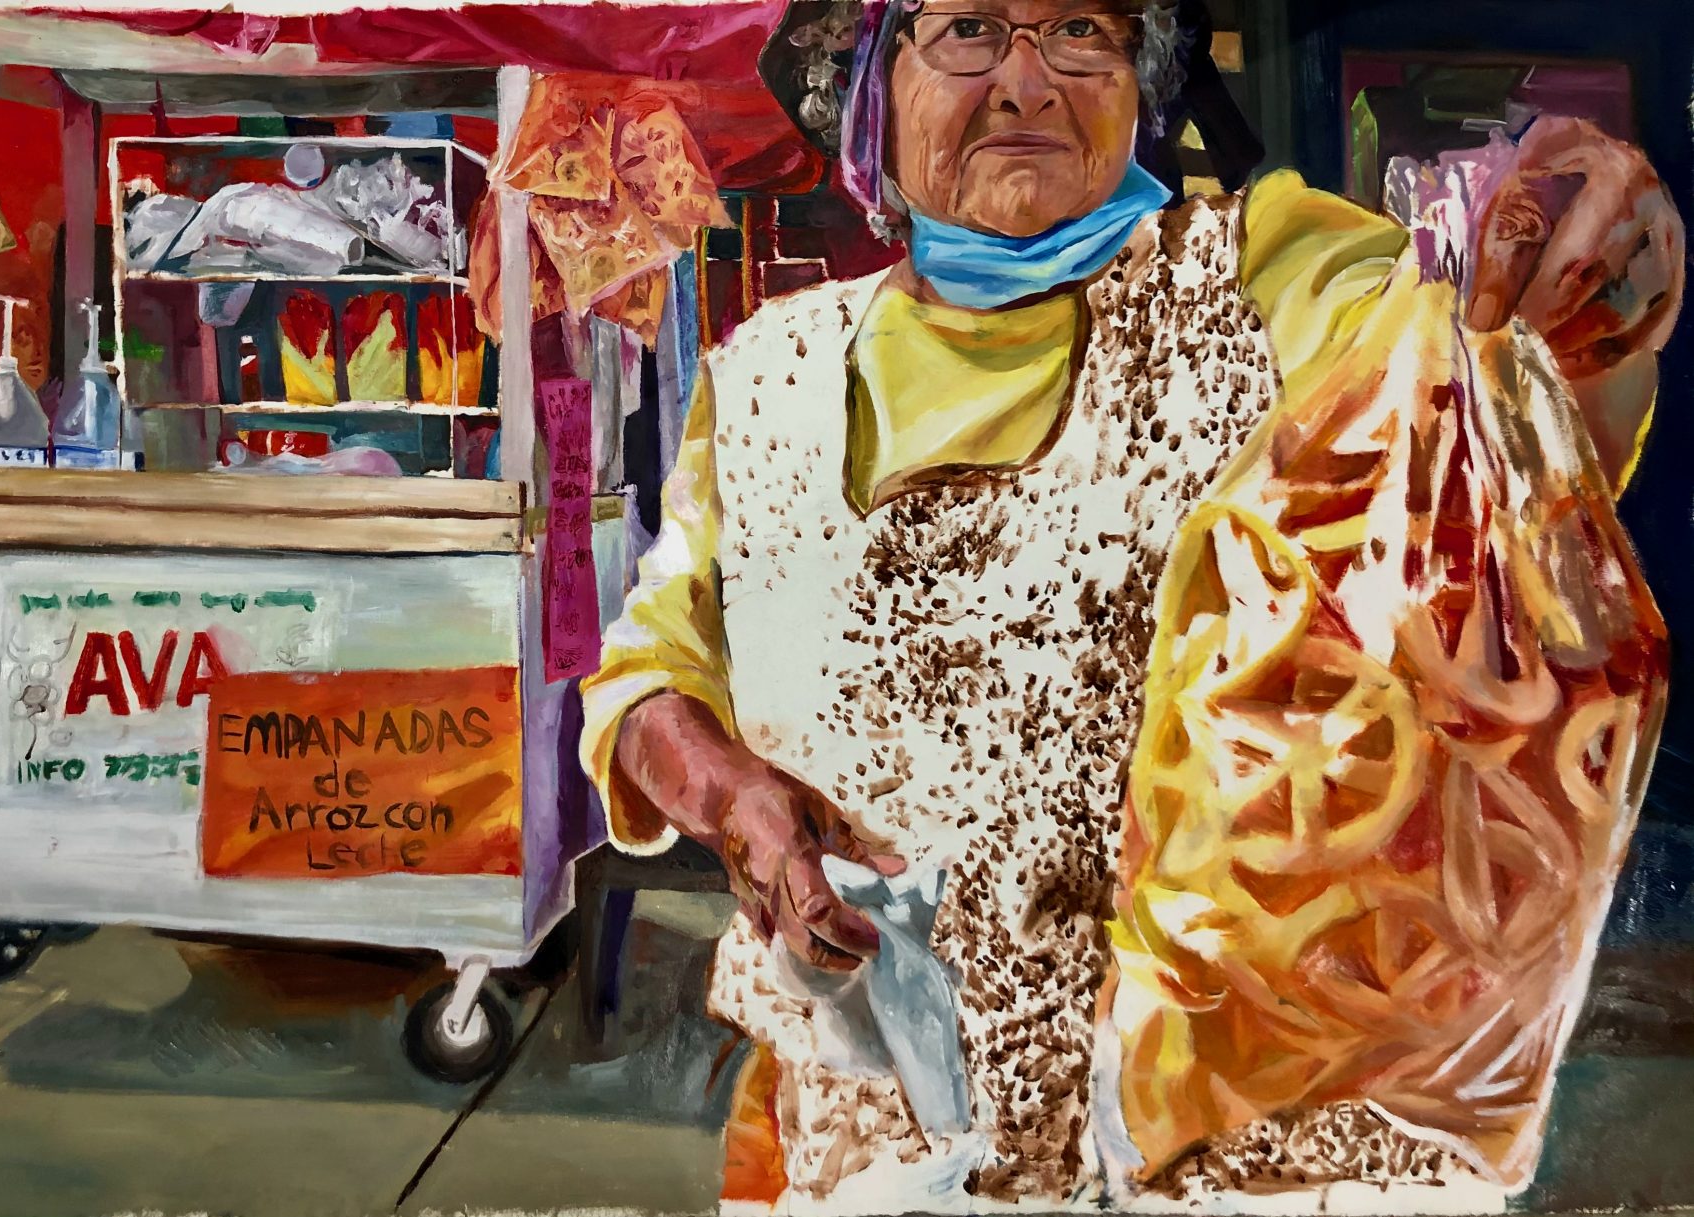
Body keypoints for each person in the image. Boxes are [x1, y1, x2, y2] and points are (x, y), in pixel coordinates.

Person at [578, 1, 1685, 1211]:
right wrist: (732, 796)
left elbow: (1475, 378)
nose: (1027, 83)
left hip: (1236, 1149)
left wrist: (1588, 277)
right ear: (868, 84)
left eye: (1079, 34)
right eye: (970, 31)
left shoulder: (1260, 268)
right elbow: (648, 676)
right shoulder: (760, 379)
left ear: (1136, 80)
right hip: (858, 1142)